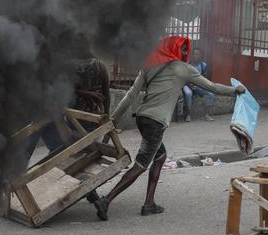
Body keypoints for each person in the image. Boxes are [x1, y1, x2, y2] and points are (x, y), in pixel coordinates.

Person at [93, 36, 244, 220]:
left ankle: (149, 204)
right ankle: (106, 200)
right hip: (155, 123)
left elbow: (130, 96)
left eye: (187, 50)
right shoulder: (183, 69)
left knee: (160, 157)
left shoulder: (149, 66)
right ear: (175, 49)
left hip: (142, 119)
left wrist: (114, 118)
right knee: (141, 165)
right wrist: (235, 90)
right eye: (183, 50)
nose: (186, 53)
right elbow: (211, 87)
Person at [182, 47, 216, 122]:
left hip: (198, 86)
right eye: (194, 54)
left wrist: (198, 85)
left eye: (197, 54)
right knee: (188, 93)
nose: (195, 56)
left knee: (211, 94)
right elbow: (183, 77)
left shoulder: (203, 65)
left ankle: (206, 115)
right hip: (187, 85)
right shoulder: (188, 64)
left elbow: (204, 78)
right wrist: (190, 85)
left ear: (200, 56)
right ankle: (188, 114)